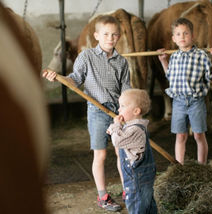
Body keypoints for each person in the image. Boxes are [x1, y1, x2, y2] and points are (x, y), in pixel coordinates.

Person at [43, 15, 131, 212]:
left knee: (122, 153)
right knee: (100, 154)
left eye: (115, 34)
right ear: (96, 36)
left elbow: (126, 89)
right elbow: (75, 79)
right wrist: (60, 78)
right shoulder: (86, 56)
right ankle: (103, 196)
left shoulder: (122, 62)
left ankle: (127, 190)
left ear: (119, 37)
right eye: (106, 34)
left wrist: (124, 111)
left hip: (117, 113)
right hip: (97, 111)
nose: (110, 38)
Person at [157, 17, 212, 165]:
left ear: (192, 36)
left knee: (199, 135)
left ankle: (202, 166)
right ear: (173, 38)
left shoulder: (201, 55)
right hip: (178, 101)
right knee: (180, 136)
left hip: (196, 102)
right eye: (178, 34)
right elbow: (170, 76)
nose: (182, 37)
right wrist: (163, 61)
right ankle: (178, 166)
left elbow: (211, 78)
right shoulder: (174, 57)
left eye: (186, 33)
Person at [107, 89, 157, 214]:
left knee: (137, 206)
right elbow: (120, 136)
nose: (119, 110)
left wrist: (115, 126)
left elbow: (117, 141)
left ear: (136, 111)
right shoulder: (133, 127)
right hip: (141, 176)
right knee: (147, 204)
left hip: (137, 179)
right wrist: (116, 129)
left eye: (123, 106)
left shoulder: (136, 129)